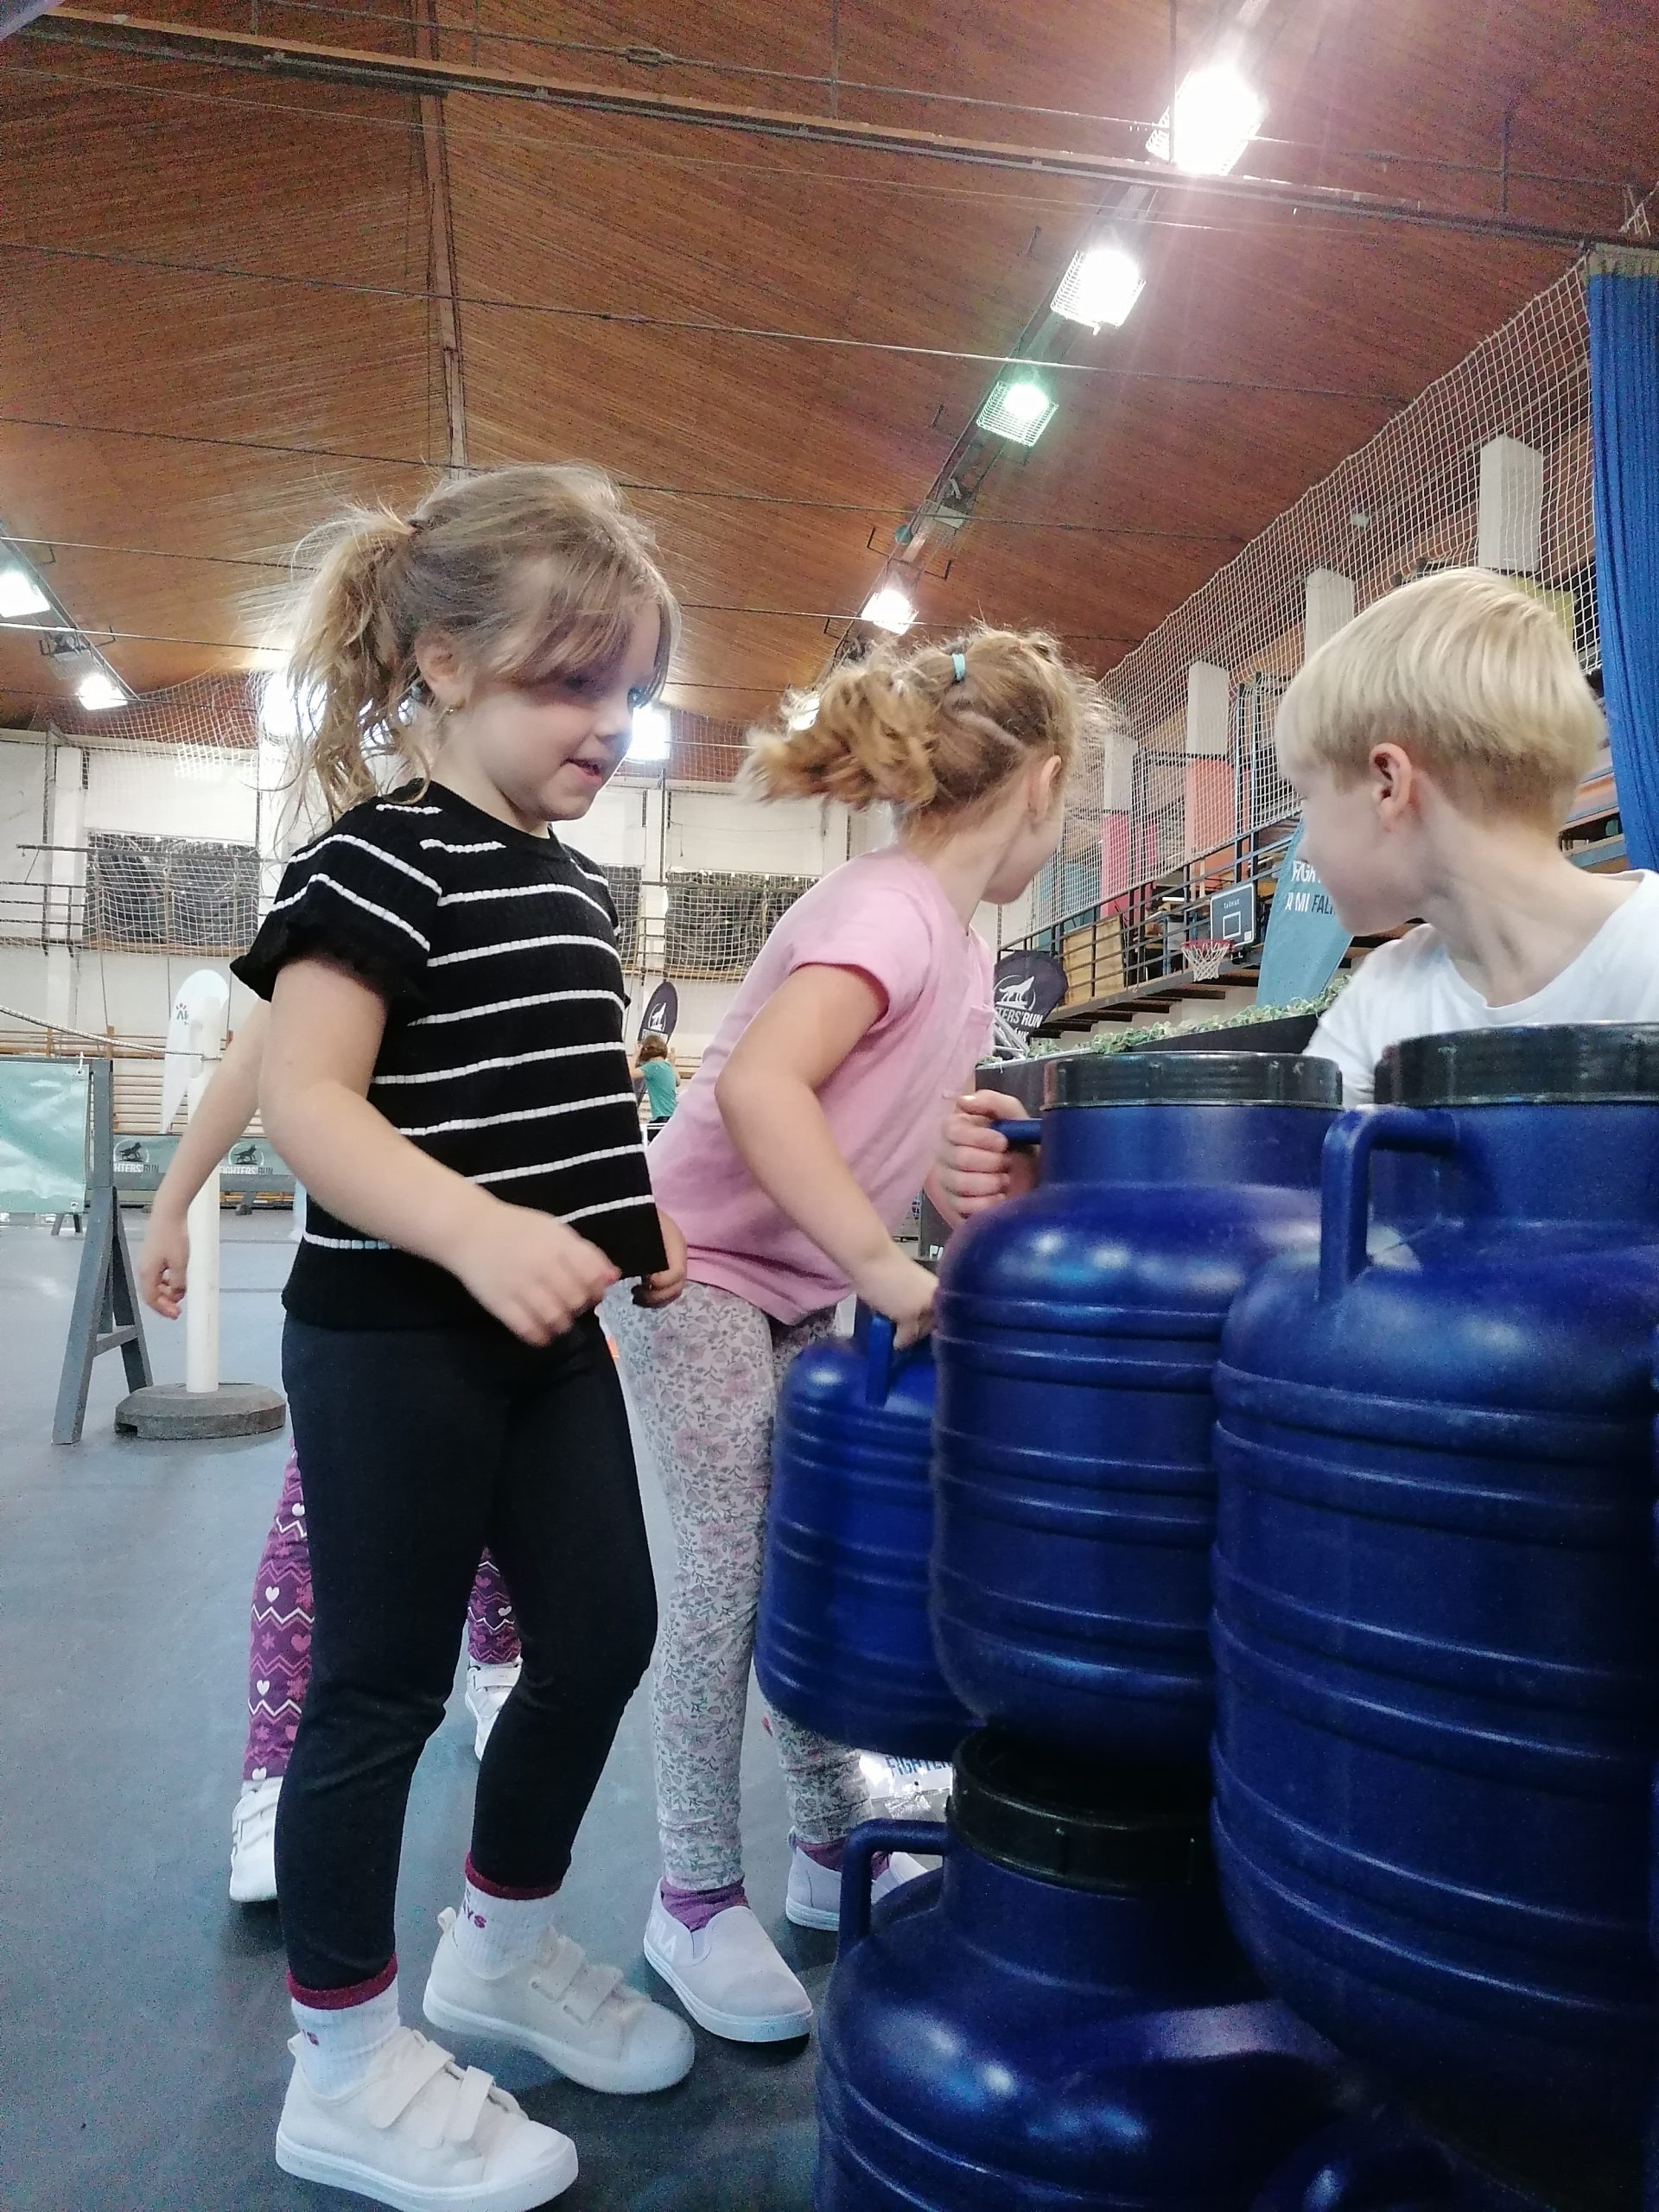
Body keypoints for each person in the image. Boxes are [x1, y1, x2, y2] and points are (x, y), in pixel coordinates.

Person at [232, 464, 696, 2212]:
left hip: (543, 1338)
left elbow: (574, 1096)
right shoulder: (373, 858)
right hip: (392, 1338)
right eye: (572, 684)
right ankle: (342, 2063)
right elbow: (309, 1103)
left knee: (604, 1630)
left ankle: (498, 1949)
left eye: (632, 691)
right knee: (380, 1686)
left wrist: (636, 1231)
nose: (612, 725)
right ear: (440, 663)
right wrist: (476, 1230)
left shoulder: (575, 885)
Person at [609, 626, 1109, 2045]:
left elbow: (891, 1133)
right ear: (1043, 783)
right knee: (727, 1571)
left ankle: (828, 1837)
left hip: (795, 1276)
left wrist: (962, 1182)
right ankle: (692, 1894)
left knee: (806, 1558)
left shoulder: (960, 951)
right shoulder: (886, 911)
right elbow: (761, 1090)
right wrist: (887, 1269)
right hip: (695, 1267)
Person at [934, 567, 1659, 1219]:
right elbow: (1280, 1203)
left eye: (1306, 800)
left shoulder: (1647, 958)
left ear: (1388, 784)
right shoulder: (1387, 991)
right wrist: (1059, 1184)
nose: (1302, 848)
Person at [137, 1007, 524, 1910]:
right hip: (364, 1287)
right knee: (314, 1525)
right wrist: (172, 1200)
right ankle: (274, 1774)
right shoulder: (345, 929)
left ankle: (497, 1659)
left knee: (497, 1486)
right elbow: (258, 1049)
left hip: (503, 1270)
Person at [636, 1031, 678, 1126]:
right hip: (673, 1115)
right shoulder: (667, 1065)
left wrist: (636, 1054)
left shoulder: (652, 1066)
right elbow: (678, 1081)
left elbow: (629, 1073)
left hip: (662, 1117)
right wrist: (672, 1063)